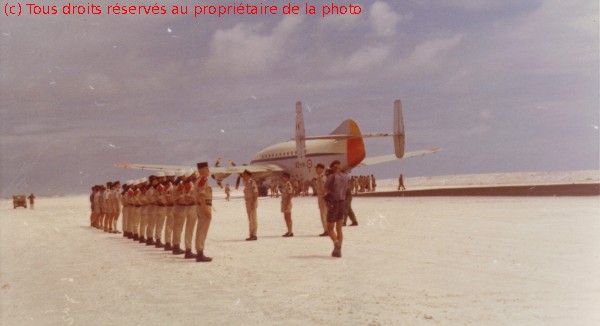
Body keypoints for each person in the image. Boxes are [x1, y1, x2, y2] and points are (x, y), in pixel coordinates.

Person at [324, 160, 349, 258]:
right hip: (342, 203)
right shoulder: (346, 177)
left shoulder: (332, 176)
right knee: (339, 228)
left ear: (333, 168)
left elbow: (326, 190)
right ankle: (338, 250)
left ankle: (336, 243)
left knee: (330, 228)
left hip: (333, 203)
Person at [195, 162, 213, 262]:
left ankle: (199, 252)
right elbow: (202, 196)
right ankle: (200, 253)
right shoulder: (203, 180)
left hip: (201, 206)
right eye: (207, 169)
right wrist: (206, 210)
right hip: (204, 206)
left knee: (200, 230)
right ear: (203, 170)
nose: (208, 171)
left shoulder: (199, 180)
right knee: (202, 231)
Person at [242, 170, 258, 241]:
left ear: (248, 176)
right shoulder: (247, 183)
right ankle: (251, 234)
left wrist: (253, 203)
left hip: (252, 202)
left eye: (244, 175)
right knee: (250, 219)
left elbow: (256, 193)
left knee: (253, 219)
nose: (243, 177)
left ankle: (254, 235)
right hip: (248, 202)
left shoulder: (252, 182)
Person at [162, 171, 177, 251]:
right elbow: (168, 198)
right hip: (171, 207)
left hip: (170, 207)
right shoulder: (169, 186)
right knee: (170, 226)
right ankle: (168, 243)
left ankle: (169, 242)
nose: (173, 178)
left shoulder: (168, 185)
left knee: (170, 225)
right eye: (172, 177)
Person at [314, 163, 328, 237]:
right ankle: (326, 230)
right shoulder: (319, 177)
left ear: (322, 169)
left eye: (317, 168)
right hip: (320, 197)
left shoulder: (322, 177)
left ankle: (327, 230)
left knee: (323, 214)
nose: (316, 170)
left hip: (322, 197)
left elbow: (324, 189)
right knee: (323, 214)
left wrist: (325, 198)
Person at [280, 172, 294, 237]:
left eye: (284, 177)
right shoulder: (284, 184)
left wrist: (287, 203)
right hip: (284, 202)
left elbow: (290, 194)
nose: (283, 178)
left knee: (288, 217)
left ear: (287, 178)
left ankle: (290, 232)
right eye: (283, 177)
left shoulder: (288, 184)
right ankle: (289, 231)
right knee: (286, 217)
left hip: (287, 203)